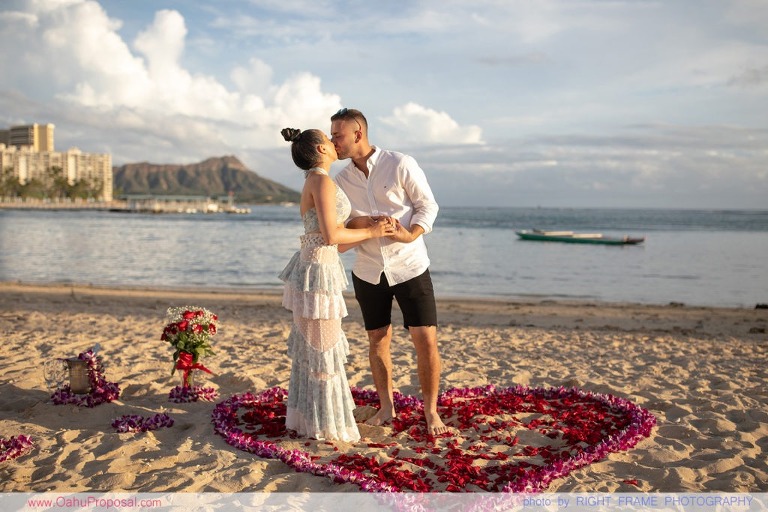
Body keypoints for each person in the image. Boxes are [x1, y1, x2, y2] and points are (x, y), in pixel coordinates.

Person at [330, 108, 449, 436]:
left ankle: (431, 412)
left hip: (410, 266)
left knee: (425, 340)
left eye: (337, 135)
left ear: (357, 134)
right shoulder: (340, 181)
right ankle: (386, 408)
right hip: (368, 271)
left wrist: (411, 233)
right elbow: (342, 226)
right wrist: (364, 223)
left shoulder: (400, 164)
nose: (332, 142)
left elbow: (428, 205)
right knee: (377, 340)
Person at [278, 127, 395, 442]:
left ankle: (309, 420)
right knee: (322, 348)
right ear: (320, 149)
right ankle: (325, 425)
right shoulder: (321, 181)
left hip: (317, 265)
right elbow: (332, 236)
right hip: (317, 270)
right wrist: (372, 233)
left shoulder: (314, 181)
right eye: (328, 140)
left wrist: (368, 225)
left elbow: (336, 240)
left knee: (316, 348)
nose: (334, 143)